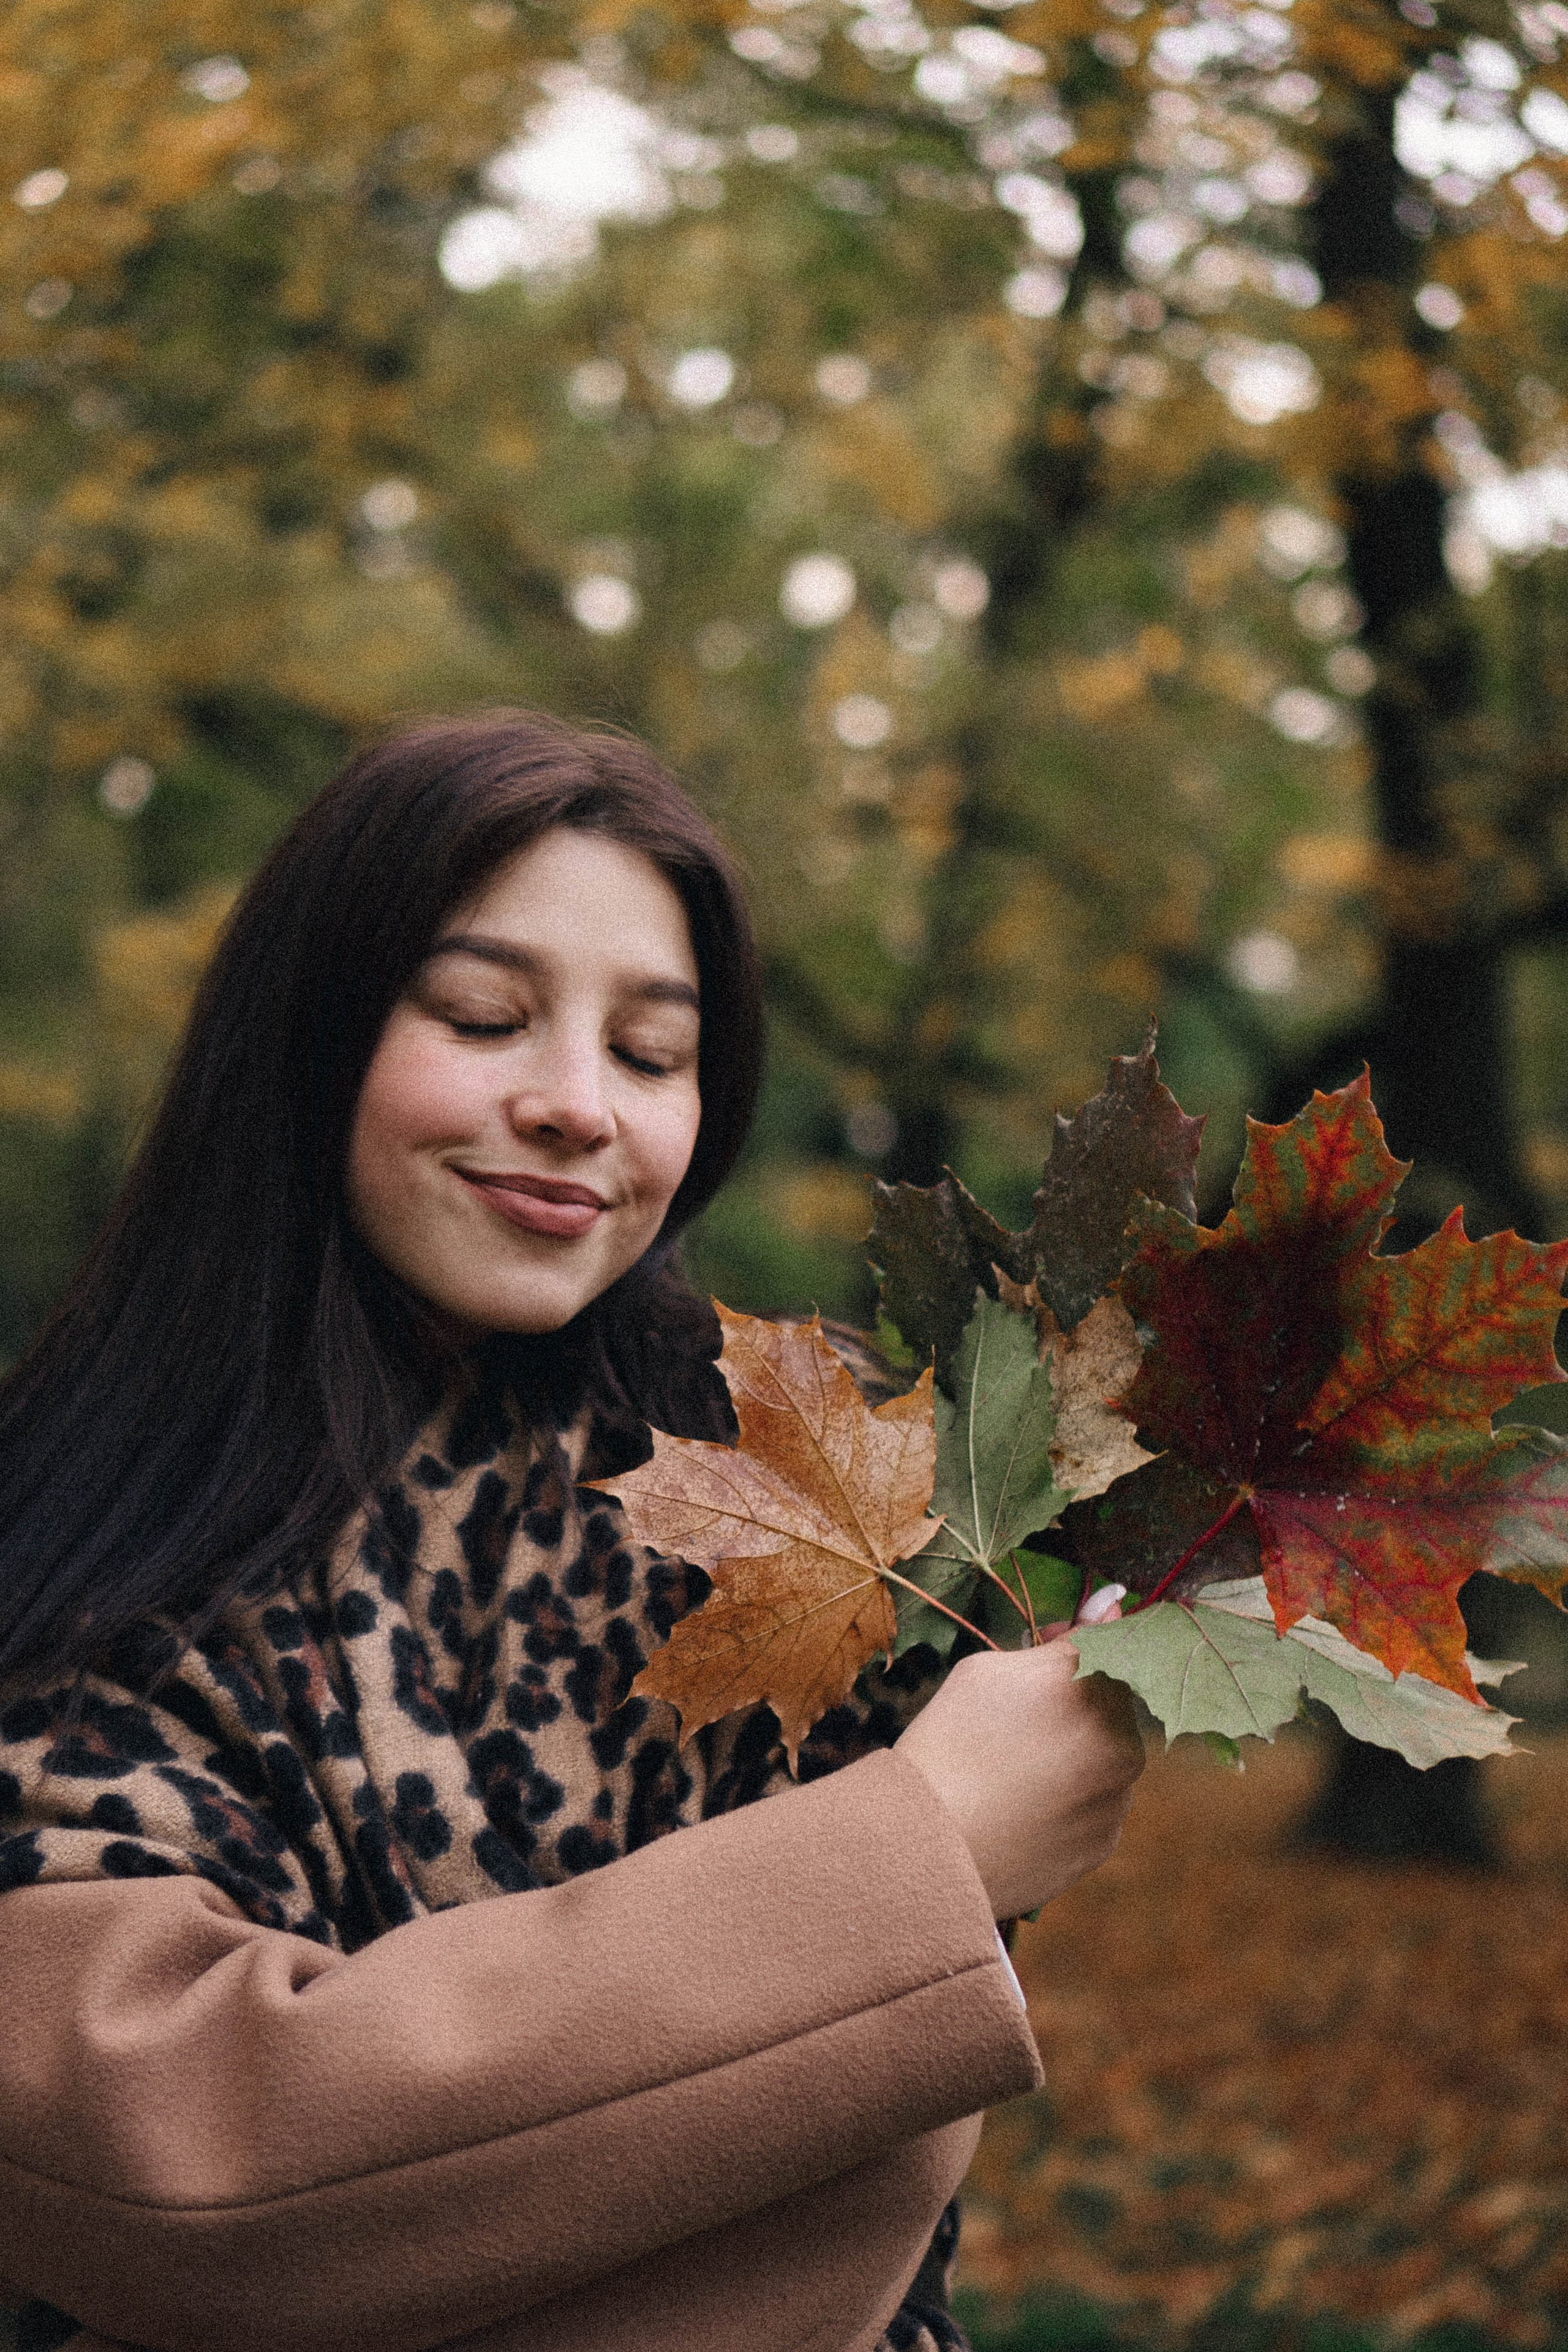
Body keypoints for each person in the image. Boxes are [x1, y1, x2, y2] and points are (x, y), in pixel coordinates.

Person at [0, 711, 1143, 2352]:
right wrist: (926, 1859)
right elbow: (192, 2178)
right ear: (308, 1033)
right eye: (483, 1016)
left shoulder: (818, 1511)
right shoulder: (89, 1539)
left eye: (654, 1054)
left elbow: (871, 2185)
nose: (574, 1105)